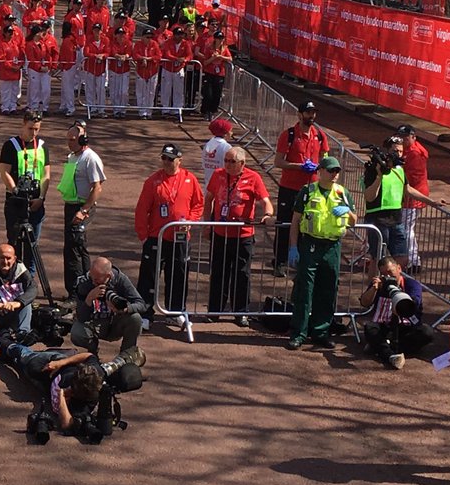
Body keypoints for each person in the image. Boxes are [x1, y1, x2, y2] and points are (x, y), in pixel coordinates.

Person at [287, 155, 356, 350]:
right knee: (304, 290)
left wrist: (347, 211)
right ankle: (299, 333)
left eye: (337, 171)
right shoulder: (308, 191)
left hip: (333, 246)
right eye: (331, 170)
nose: (334, 174)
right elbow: (295, 221)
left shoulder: (343, 193)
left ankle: (321, 332)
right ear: (321, 171)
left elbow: (354, 221)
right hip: (310, 244)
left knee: (328, 290)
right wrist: (293, 247)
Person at [202, 146, 273, 324]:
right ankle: (214, 310)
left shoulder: (253, 177)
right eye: (225, 160)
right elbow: (209, 198)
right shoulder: (218, 175)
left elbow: (265, 201)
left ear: (242, 163)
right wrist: (207, 224)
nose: (227, 164)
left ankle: (241, 312)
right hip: (220, 233)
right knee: (219, 272)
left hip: (243, 235)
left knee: (242, 274)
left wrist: (268, 214)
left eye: (231, 161)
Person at [135, 143, 204, 319]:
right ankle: (145, 313)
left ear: (179, 160)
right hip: (156, 236)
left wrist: (191, 220)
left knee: (178, 274)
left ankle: (175, 311)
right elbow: (142, 209)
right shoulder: (153, 181)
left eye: (170, 159)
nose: (166, 162)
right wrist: (144, 236)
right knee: (149, 277)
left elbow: (198, 204)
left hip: (180, 237)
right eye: (164, 158)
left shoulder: (190, 179)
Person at [363, 134, 443, 263]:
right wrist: (379, 176)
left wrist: (432, 202)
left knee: (402, 258)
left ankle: (395, 281)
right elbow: (369, 197)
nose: (398, 154)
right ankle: (375, 282)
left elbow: (408, 189)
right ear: (388, 151)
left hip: (396, 219)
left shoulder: (400, 169)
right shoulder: (374, 170)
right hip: (378, 219)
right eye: (395, 151)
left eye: (400, 151)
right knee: (377, 259)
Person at [272, 101, 328, 277]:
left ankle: (302, 260)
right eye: (308, 112)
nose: (311, 116)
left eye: (313, 112)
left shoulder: (319, 135)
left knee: (307, 224)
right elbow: (278, 162)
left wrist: (318, 167)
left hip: (311, 188)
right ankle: (279, 261)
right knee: (284, 224)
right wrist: (300, 166)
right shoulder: (288, 135)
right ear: (300, 114)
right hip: (289, 187)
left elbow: (325, 158)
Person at [55, 122, 106, 300]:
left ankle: (78, 292)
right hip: (71, 206)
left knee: (75, 249)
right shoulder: (73, 156)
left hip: (81, 207)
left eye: (73, 140)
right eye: (68, 139)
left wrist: (84, 210)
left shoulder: (90, 158)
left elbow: (97, 187)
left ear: (83, 139)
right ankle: (78, 290)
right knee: (73, 248)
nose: (69, 143)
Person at [357, 255, 433, 370]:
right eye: (384, 274)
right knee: (370, 328)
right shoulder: (380, 284)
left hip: (406, 327)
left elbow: (415, 304)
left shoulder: (412, 285)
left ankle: (382, 347)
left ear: (399, 268)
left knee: (427, 332)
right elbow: (364, 303)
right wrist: (374, 288)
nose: (388, 276)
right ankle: (390, 355)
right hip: (384, 326)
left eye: (390, 272)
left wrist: (399, 298)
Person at [0, 110, 52, 256]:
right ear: (23, 124)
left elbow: (46, 174)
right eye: (30, 128)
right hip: (15, 201)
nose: (33, 133)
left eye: (36, 129)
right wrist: (15, 191)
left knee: (32, 246)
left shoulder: (42, 146)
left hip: (36, 201)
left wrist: (41, 198)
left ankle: (30, 277)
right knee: (14, 243)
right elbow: (4, 172)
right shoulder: (10, 145)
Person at [72, 256, 145, 360]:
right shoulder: (85, 282)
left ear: (108, 275)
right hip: (95, 324)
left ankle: (126, 357)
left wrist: (125, 308)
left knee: (135, 319)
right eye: (92, 277)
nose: (93, 282)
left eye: (97, 280)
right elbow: (81, 317)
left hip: (116, 323)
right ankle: (93, 354)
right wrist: (89, 298)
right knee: (77, 332)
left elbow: (141, 304)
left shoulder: (120, 279)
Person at [397, 124, 431, 269]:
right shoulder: (407, 150)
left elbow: (414, 179)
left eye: (406, 137)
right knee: (407, 229)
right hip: (409, 196)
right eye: (401, 136)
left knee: (406, 229)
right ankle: (413, 260)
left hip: (413, 197)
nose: (403, 140)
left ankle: (412, 261)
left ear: (413, 137)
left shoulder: (415, 153)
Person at [201, 117, 233, 183]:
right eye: (230, 131)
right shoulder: (226, 147)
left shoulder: (208, 144)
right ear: (225, 133)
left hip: (208, 181)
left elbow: (204, 164)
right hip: (222, 182)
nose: (231, 133)